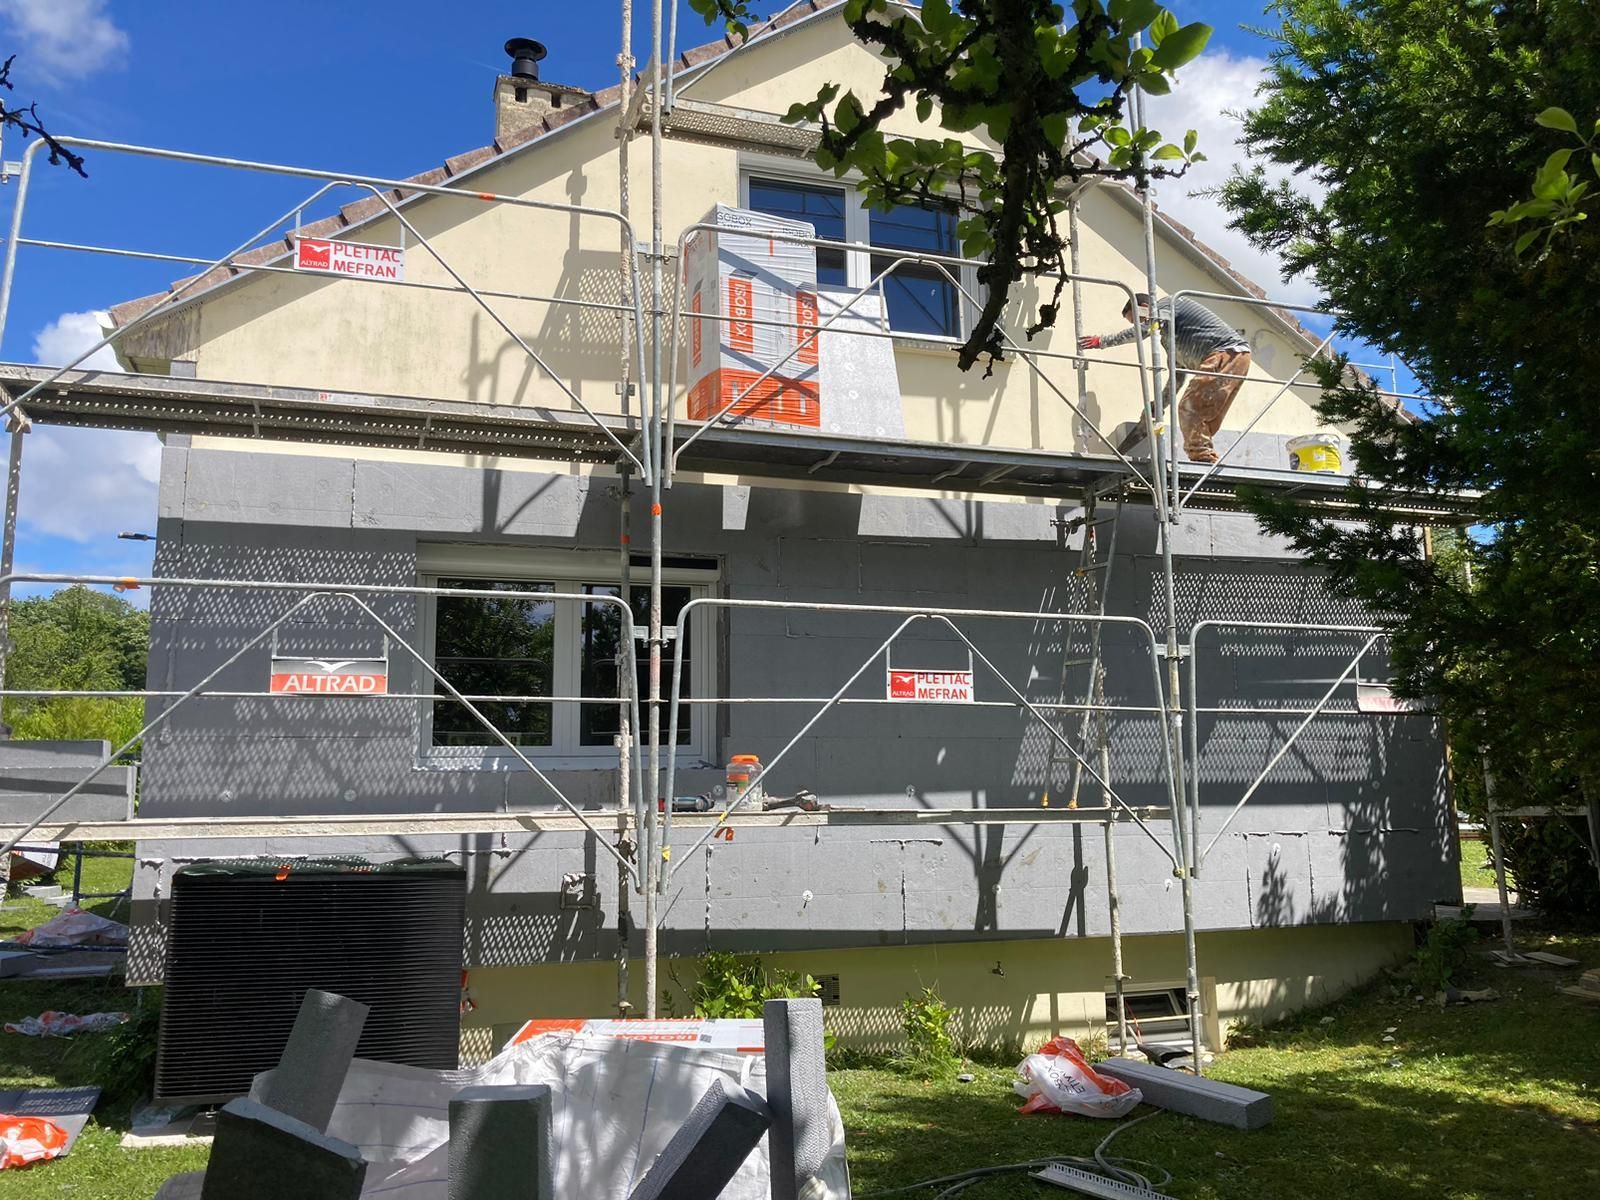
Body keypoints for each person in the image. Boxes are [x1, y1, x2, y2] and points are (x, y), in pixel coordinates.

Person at [1078, 293, 1252, 464]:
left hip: (1225, 353)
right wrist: (1159, 405)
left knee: (1189, 408)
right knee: (1204, 414)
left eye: (1137, 320)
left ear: (1145, 309)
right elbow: (1177, 378)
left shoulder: (1168, 304)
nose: (1138, 326)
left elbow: (1145, 330)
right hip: (1234, 357)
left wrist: (1102, 341)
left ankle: (1202, 457)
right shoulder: (1170, 339)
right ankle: (1204, 455)